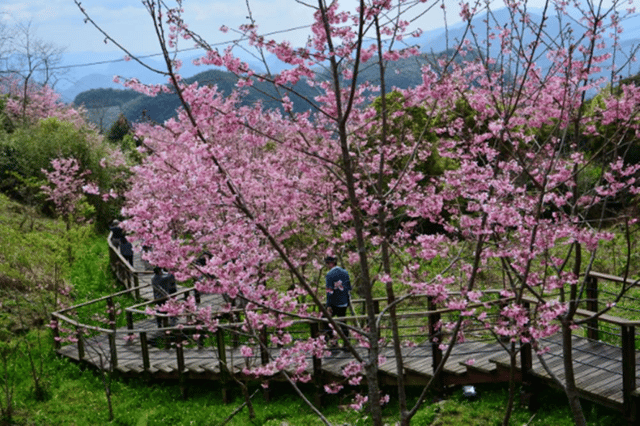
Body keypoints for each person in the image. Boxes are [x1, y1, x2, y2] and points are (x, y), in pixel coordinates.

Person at [324, 255, 351, 345]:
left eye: (327, 263)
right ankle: (347, 343)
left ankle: (333, 341)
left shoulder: (329, 275)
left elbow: (329, 291)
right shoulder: (345, 272)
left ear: (330, 263)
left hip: (334, 302)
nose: (327, 265)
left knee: (324, 320)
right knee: (342, 322)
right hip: (344, 301)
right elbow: (349, 287)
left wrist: (328, 305)